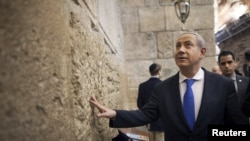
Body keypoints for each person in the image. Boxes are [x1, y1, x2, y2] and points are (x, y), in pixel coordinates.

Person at [89, 32, 248, 141]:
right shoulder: (162, 89)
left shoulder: (223, 85)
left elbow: (237, 126)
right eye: (178, 46)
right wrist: (115, 113)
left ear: (202, 52)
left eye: (187, 45)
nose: (181, 50)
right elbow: (145, 114)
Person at [137, 63, 164, 141]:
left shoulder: (142, 86)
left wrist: (146, 115)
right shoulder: (164, 85)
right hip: (161, 123)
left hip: (148, 122)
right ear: (159, 72)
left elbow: (139, 104)